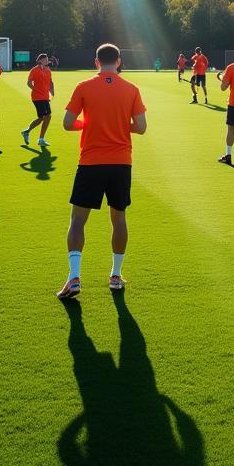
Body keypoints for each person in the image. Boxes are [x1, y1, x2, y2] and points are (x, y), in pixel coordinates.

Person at [57, 43, 147, 299]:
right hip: (121, 163)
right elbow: (141, 127)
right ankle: (116, 276)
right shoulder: (131, 89)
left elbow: (66, 123)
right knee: (118, 219)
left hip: (91, 163)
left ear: (96, 61)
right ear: (118, 61)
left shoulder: (84, 87)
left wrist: (91, 122)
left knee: (77, 221)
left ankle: (74, 277)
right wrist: (119, 124)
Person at [22, 53, 54, 148]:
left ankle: (26, 132)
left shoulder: (48, 70)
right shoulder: (34, 70)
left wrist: (52, 91)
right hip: (37, 97)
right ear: (40, 60)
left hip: (45, 97)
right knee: (47, 116)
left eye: (47, 59)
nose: (47, 61)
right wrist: (35, 89)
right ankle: (41, 139)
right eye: (45, 59)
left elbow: (51, 82)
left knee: (42, 118)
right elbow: (29, 83)